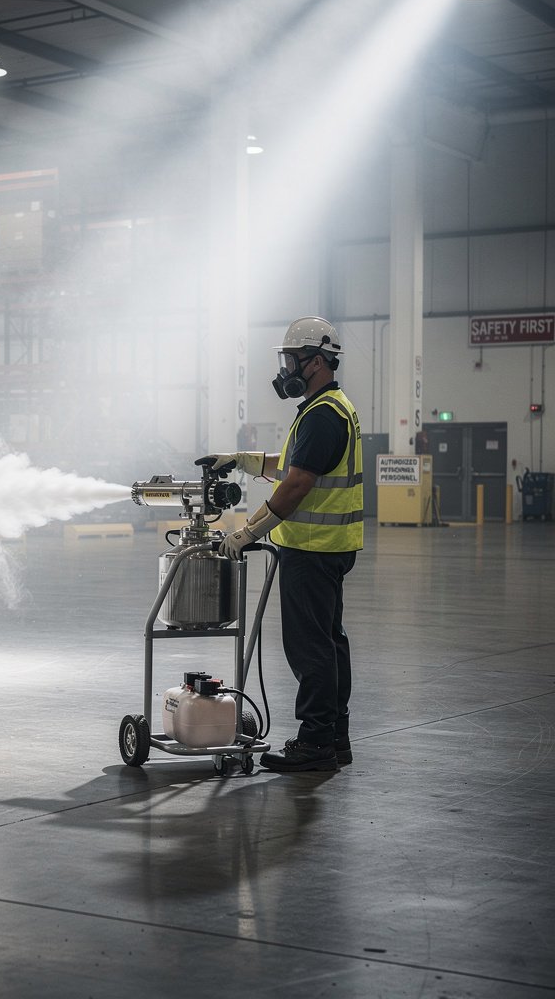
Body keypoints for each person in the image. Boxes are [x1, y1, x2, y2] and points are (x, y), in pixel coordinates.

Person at [195, 316, 363, 772]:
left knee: (310, 649)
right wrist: (240, 460)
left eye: (290, 359)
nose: (286, 368)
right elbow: (292, 465)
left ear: (314, 361)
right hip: (327, 547)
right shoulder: (328, 408)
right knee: (329, 643)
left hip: (312, 549)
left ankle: (315, 745)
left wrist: (246, 532)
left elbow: (295, 486)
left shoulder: (323, 415)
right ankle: (335, 738)